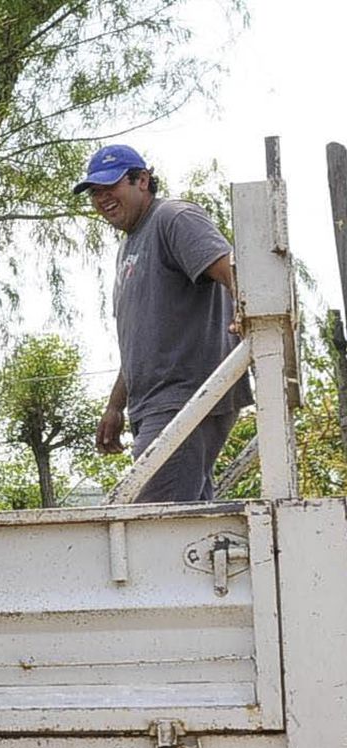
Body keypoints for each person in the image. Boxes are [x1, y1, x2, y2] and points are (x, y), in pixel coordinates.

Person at [77, 144, 249, 501]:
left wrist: (243, 316)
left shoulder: (174, 218)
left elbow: (235, 273)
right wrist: (115, 405)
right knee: (184, 526)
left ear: (143, 180)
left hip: (187, 397)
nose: (102, 198)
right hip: (157, 403)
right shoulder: (131, 245)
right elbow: (143, 338)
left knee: (153, 528)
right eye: (95, 192)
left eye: (111, 186)